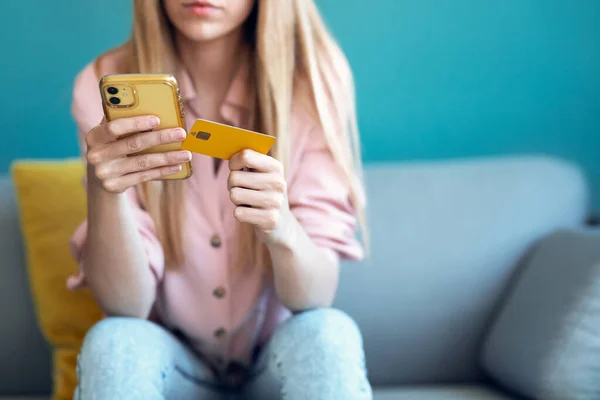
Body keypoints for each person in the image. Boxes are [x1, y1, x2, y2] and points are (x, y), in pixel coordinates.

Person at [68, 0, 371, 399]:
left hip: (276, 362)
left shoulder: (314, 78)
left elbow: (315, 296)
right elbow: (125, 305)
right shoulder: (106, 81)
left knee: (328, 333)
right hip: (171, 363)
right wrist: (106, 192)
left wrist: (281, 228)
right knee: (115, 341)